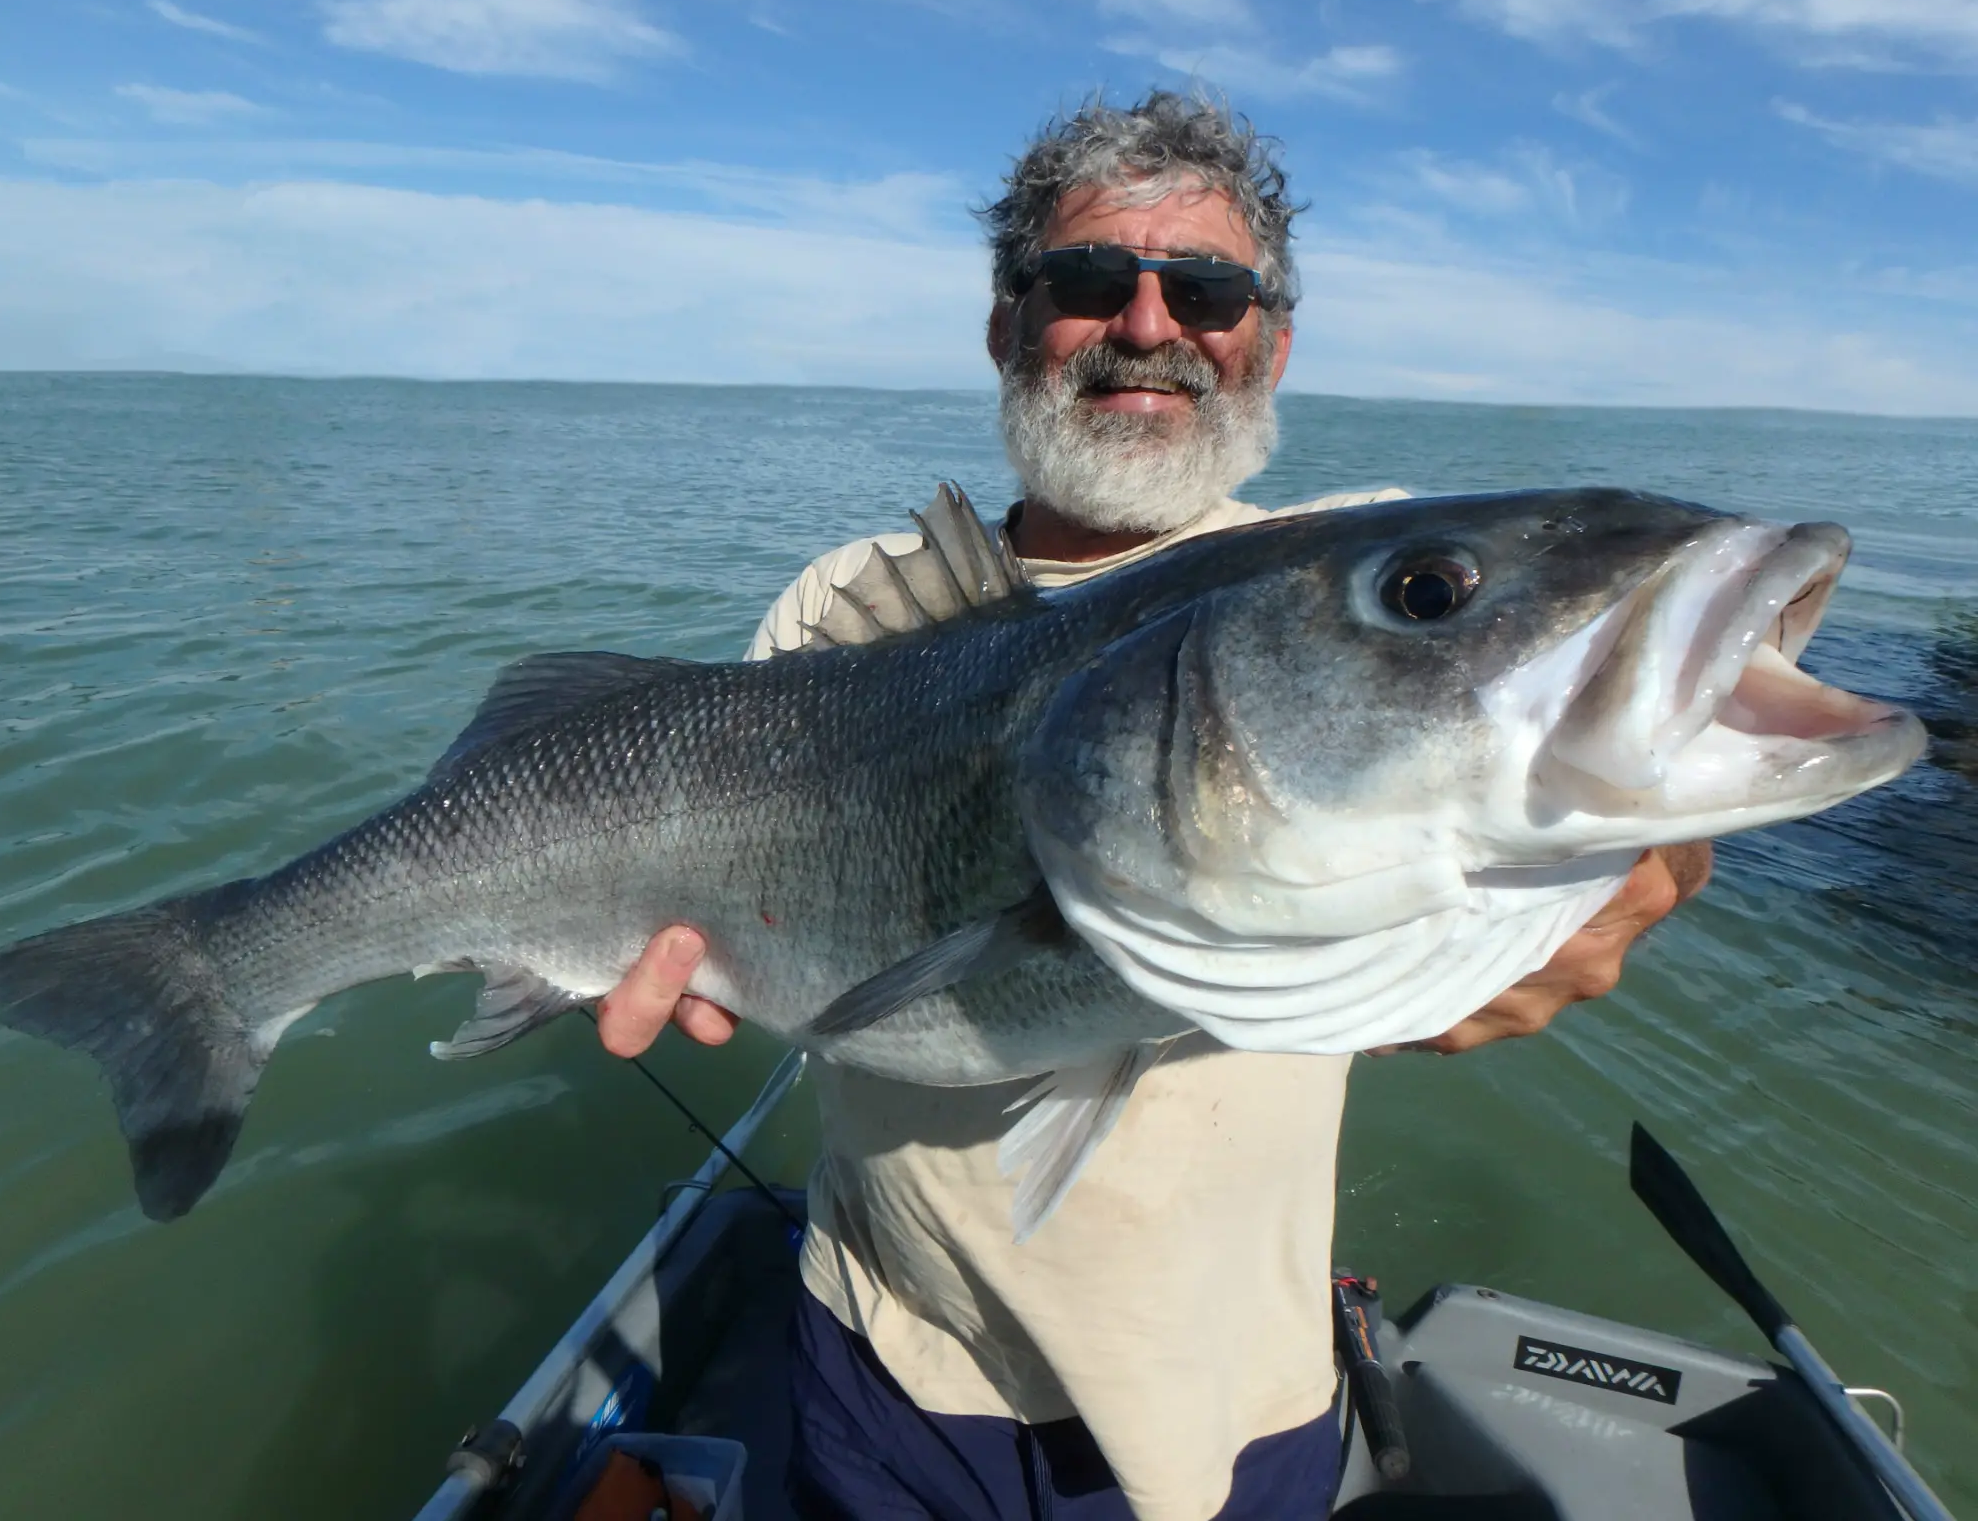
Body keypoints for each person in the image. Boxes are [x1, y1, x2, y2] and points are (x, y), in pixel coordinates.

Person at [598, 92, 1712, 1521]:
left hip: (1231, 1400)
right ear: (1008, 327)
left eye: (1206, 288)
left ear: (1270, 341)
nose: (1147, 323)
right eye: (1083, 282)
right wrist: (615, 940)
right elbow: (688, 891)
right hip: (885, 1350)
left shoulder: (1345, 581)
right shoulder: (838, 609)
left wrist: (1620, 864)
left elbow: (1555, 717)